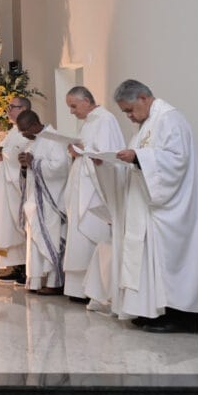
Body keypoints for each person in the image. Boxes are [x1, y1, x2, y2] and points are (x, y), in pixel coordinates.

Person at [112, 80, 198, 333]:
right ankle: (153, 311)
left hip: (175, 209)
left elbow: (177, 160)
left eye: (130, 110)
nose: (129, 116)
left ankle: (181, 318)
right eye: (125, 112)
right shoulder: (147, 123)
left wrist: (138, 157)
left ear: (143, 98)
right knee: (151, 260)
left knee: (173, 263)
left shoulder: (169, 119)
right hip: (152, 207)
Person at [61, 86, 124, 304]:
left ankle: (94, 291)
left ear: (87, 101)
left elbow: (107, 158)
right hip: (82, 186)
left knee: (91, 233)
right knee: (78, 237)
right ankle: (78, 288)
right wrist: (75, 152)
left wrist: (82, 152)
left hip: (94, 191)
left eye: (73, 106)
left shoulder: (105, 120)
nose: (72, 111)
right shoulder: (89, 122)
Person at [16, 110, 69, 295]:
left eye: (24, 130)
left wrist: (34, 163)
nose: (23, 134)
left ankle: (54, 283)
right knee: (36, 241)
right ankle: (35, 281)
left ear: (34, 125)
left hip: (50, 201)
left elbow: (61, 167)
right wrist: (24, 166)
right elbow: (31, 170)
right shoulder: (35, 141)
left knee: (51, 239)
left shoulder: (54, 139)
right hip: (35, 201)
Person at [0, 96, 31, 284]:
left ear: (24, 109)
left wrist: (4, 153)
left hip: (16, 188)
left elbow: (24, 153)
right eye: (8, 106)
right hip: (5, 187)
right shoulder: (12, 131)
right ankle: (15, 266)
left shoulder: (27, 130)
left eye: (13, 107)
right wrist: (0, 153)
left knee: (18, 226)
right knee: (7, 227)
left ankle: (25, 267)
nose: (8, 110)